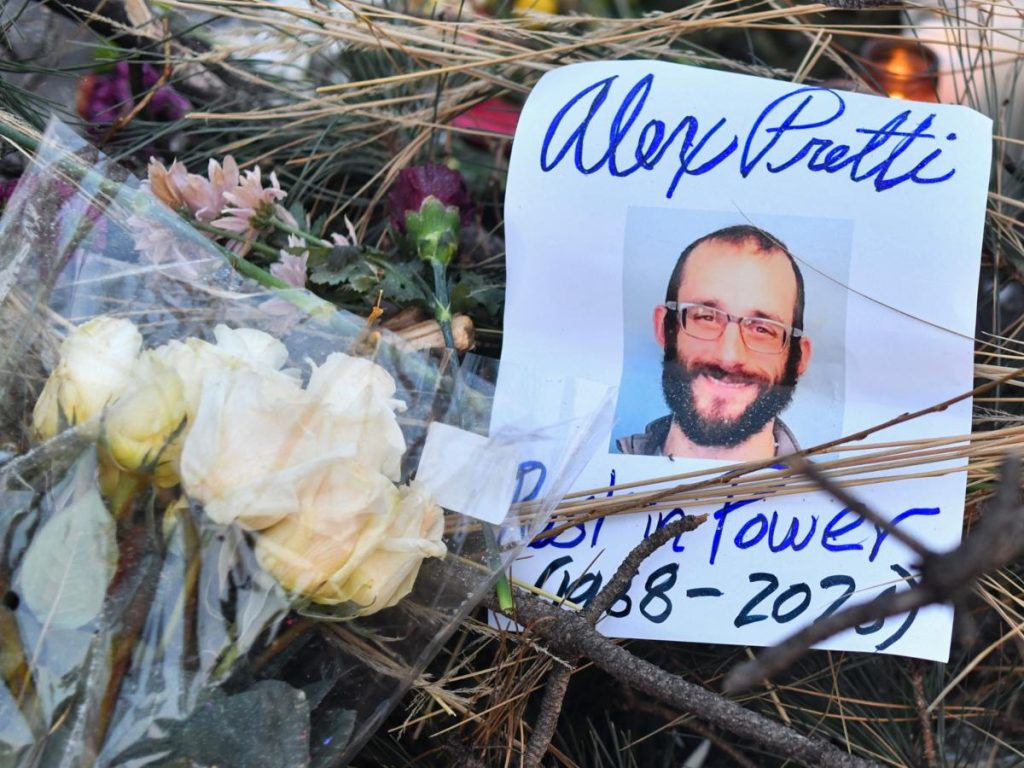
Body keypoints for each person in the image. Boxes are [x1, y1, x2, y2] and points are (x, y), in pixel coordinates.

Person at [617, 225, 812, 460]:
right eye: (706, 317)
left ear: (799, 358)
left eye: (762, 328)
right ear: (665, 329)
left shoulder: (825, 495)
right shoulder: (587, 470)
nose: (728, 356)